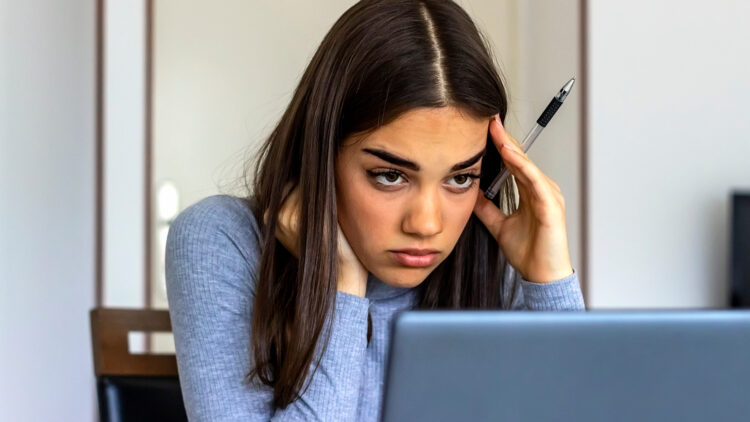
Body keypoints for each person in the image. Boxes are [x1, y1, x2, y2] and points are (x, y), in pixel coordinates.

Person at [165, 0, 586, 420]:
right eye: (389, 175)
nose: (426, 224)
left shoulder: (491, 258)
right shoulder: (222, 240)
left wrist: (550, 284)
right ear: (322, 153)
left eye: (460, 178)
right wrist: (340, 284)